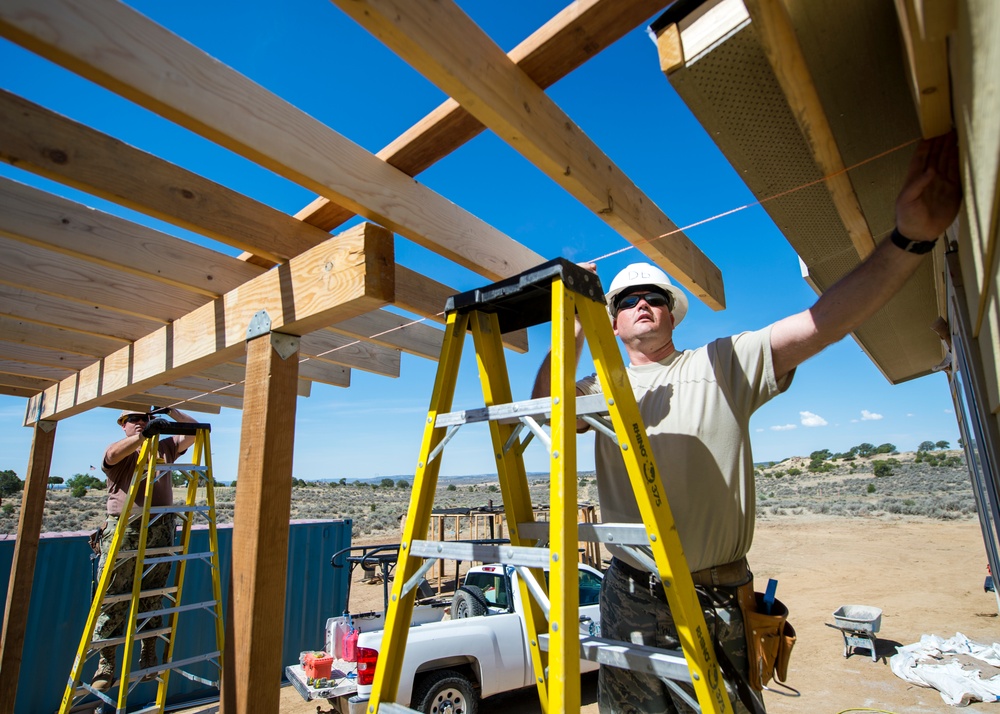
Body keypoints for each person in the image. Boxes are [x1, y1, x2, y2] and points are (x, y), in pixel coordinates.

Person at [531, 133, 961, 713]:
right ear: (612, 319)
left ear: (671, 313)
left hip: (711, 593)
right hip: (627, 590)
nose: (641, 303)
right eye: (627, 298)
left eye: (654, 296)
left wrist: (911, 238)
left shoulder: (722, 364)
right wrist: (571, 321)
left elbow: (824, 321)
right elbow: (541, 414)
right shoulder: (597, 390)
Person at [91, 406, 197, 692]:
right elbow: (111, 455)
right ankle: (106, 663)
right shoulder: (122, 451)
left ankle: (148, 654)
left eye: (145, 418)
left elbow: (194, 432)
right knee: (114, 596)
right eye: (133, 420)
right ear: (123, 425)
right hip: (126, 528)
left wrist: (173, 411)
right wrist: (143, 436)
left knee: (152, 593)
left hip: (160, 528)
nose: (140, 423)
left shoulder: (164, 447)